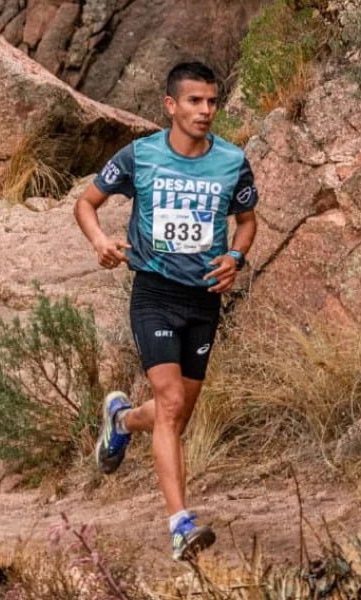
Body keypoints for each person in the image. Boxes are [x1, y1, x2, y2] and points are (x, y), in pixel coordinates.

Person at [73, 62, 258, 561]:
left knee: (175, 415)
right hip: (153, 294)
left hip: (204, 300)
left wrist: (236, 258)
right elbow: (86, 204)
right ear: (171, 106)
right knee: (171, 402)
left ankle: (122, 421)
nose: (205, 111)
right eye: (195, 101)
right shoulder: (140, 156)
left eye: (212, 102)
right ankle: (180, 523)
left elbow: (246, 221)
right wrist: (100, 242)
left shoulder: (233, 162)